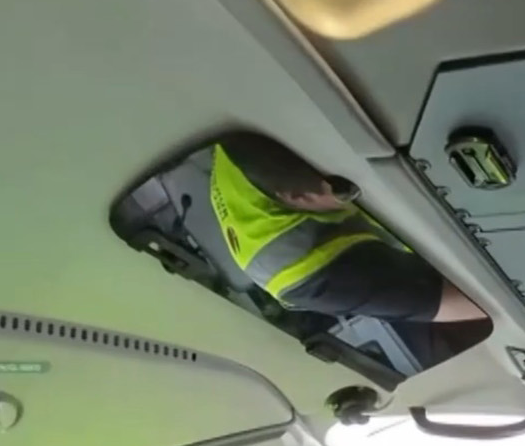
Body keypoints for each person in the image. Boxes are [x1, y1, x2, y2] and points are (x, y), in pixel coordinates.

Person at [208, 130, 489, 335]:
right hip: (312, 272)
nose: (353, 191)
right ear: (299, 199)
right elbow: (464, 304)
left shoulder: (249, 139)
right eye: (345, 192)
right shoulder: (315, 277)